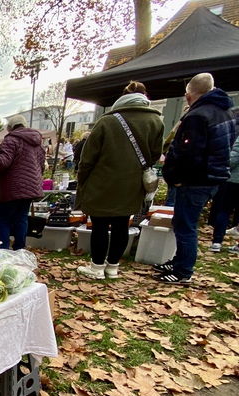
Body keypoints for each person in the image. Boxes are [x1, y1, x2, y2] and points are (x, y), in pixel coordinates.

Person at [76, 80, 164, 280]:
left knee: (99, 225)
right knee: (122, 225)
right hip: (132, 183)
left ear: (122, 98)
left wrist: (83, 182)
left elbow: (87, 159)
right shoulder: (156, 122)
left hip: (103, 182)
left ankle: (97, 267)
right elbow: (154, 155)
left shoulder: (107, 121)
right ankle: (113, 266)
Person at [156, 73, 236, 284]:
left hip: (195, 179)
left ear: (189, 95)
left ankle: (183, 271)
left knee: (186, 225)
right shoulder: (226, 113)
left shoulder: (199, 115)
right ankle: (178, 262)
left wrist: (175, 177)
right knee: (184, 222)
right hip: (210, 177)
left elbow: (188, 153)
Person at [0, 115, 45, 250]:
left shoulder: (12, 140)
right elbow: (41, 166)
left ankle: (4, 252)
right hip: (30, 188)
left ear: (10, 128)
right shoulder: (38, 143)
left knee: (2, 220)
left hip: (11, 188)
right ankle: (20, 250)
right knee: (21, 219)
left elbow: (2, 162)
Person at [209, 134, 239, 252]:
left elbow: (234, 157)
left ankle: (217, 242)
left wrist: (224, 167)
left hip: (234, 180)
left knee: (224, 210)